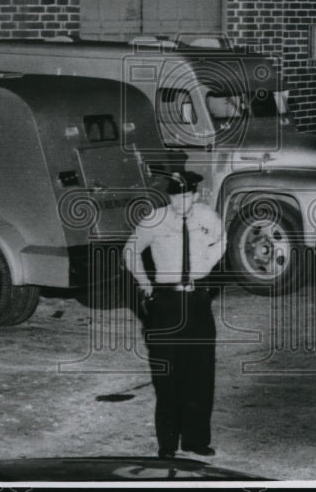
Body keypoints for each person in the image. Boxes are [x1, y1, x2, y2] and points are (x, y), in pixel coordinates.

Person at [124, 170, 225, 459]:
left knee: (201, 374)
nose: (180, 202)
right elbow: (130, 251)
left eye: (186, 196)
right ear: (169, 197)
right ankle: (167, 445)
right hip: (166, 303)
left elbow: (222, 242)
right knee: (167, 376)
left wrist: (206, 267)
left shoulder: (207, 217)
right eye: (175, 197)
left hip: (198, 302)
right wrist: (144, 283)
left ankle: (196, 440)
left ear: (195, 195)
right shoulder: (155, 219)